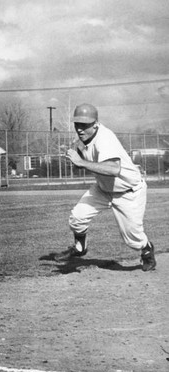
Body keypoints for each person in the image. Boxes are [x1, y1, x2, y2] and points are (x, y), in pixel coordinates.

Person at [54, 103, 156, 271]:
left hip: (128, 192)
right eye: (77, 124)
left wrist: (81, 162)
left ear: (95, 123)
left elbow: (114, 169)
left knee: (133, 238)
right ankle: (80, 247)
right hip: (103, 189)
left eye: (84, 125)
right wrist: (76, 156)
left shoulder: (105, 138)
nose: (80, 129)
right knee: (77, 217)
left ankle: (146, 251)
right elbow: (86, 160)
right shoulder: (82, 139)